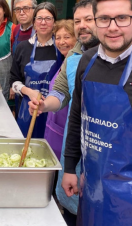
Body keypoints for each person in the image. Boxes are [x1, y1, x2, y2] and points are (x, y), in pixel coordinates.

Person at [29, 0, 132, 226]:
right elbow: (74, 113)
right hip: (92, 184)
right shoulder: (84, 60)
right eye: (104, 19)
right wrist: (71, 167)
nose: (112, 26)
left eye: (122, 18)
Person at [10, 2, 63, 138]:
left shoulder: (61, 48)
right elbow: (14, 80)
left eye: (48, 18)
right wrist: (29, 92)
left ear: (54, 22)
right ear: (34, 22)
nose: (43, 22)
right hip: (27, 108)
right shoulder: (23, 47)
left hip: (55, 110)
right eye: (39, 18)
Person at [44, 19, 76, 160]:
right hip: (54, 126)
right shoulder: (64, 61)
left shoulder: (77, 63)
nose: (62, 42)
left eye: (67, 37)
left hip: (66, 129)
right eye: (58, 38)